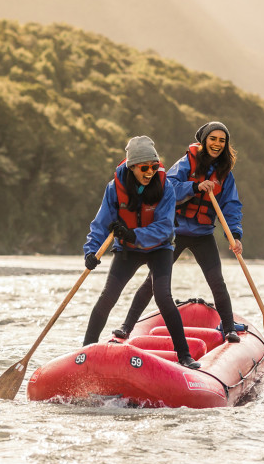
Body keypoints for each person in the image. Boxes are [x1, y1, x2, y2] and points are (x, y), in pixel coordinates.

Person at [113, 122, 243, 344]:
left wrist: (235, 235)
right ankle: (126, 327)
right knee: (153, 281)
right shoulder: (187, 163)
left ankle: (229, 328)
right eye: (213, 139)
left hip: (203, 234)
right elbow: (168, 187)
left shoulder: (224, 174)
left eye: (222, 140)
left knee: (217, 282)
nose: (217, 144)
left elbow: (231, 206)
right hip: (175, 232)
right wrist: (195, 187)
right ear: (204, 141)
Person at [82, 135, 201, 369]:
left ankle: (184, 355)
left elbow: (165, 227)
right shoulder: (114, 189)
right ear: (131, 166)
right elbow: (100, 224)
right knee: (108, 297)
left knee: (163, 298)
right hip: (128, 250)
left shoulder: (165, 187)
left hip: (160, 248)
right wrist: (91, 252)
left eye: (154, 167)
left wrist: (133, 235)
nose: (150, 172)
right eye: (144, 167)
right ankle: (86, 350)